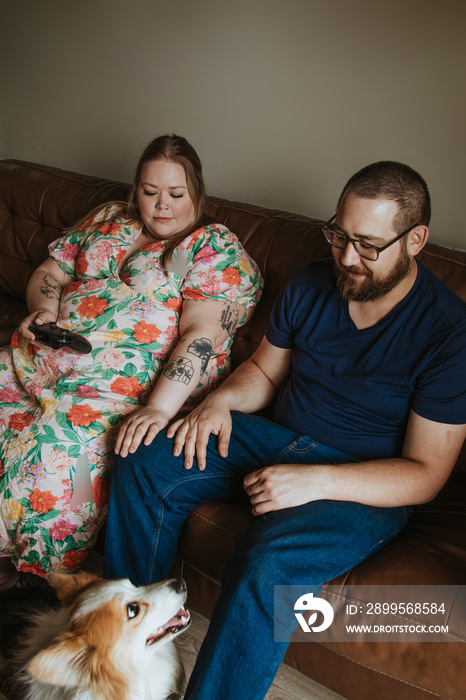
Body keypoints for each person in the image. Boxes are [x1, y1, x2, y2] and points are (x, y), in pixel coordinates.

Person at [104, 161, 466, 700]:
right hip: (274, 440)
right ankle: (128, 655)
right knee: (144, 456)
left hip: (362, 482)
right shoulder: (314, 280)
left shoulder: (448, 333)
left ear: (415, 239)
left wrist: (314, 481)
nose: (347, 257)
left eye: (368, 245)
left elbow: (426, 475)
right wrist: (220, 402)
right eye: (339, 234)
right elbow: (264, 371)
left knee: (269, 563)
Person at [0, 134, 263, 589]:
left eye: (176, 194)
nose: (162, 206)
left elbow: (201, 336)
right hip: (41, 361)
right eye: (149, 191)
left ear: (197, 192)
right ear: (134, 189)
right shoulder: (108, 218)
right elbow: (49, 273)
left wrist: (159, 409)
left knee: (59, 460)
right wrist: (44, 307)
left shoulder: (211, 247)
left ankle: (38, 576)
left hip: (116, 391)